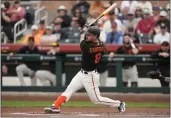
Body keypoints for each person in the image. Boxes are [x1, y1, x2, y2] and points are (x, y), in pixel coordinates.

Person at [44, 26, 126, 113]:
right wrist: (86, 31)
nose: (87, 36)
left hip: (90, 76)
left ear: (95, 36)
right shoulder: (102, 45)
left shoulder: (87, 46)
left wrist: (83, 32)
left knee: (96, 100)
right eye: (87, 35)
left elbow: (82, 41)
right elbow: (88, 40)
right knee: (69, 90)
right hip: (81, 73)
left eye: (89, 35)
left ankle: (119, 104)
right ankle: (56, 106)